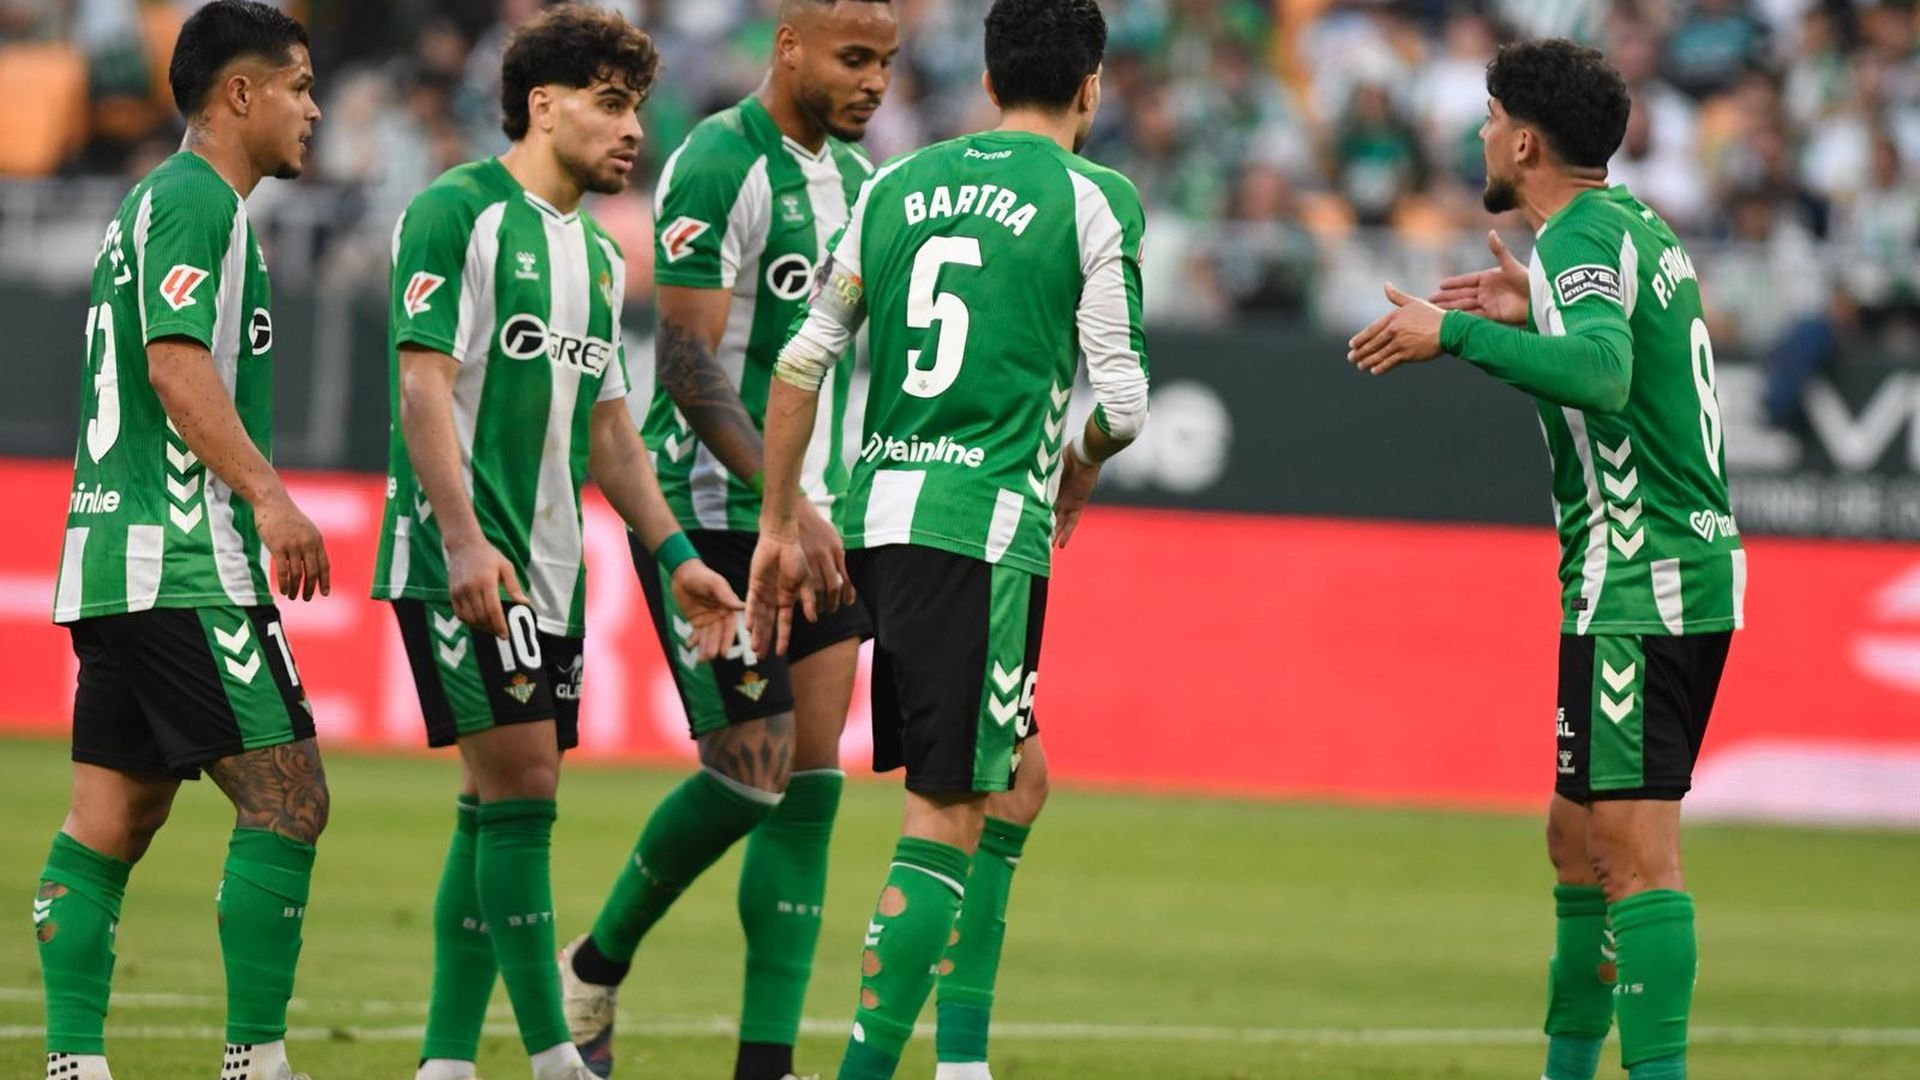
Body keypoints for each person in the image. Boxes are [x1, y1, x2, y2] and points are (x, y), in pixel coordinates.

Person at [747, 2, 1150, 1076]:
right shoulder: (1094, 196)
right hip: (980, 533)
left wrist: (780, 521)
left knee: (1018, 779)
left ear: (987, 81)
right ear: (1092, 85)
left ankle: (962, 1061)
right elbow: (1122, 403)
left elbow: (802, 360)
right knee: (945, 812)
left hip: (875, 522)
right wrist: (1078, 466)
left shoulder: (894, 185)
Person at [1347, 39, 1745, 1080]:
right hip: (1645, 576)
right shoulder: (1625, 227)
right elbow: (1625, 354)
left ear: (1524, 143)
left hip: (1645, 579)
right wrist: (1538, 308)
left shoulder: (1581, 239)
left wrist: (1456, 337)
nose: (1480, 134)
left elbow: (1605, 376)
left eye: (1490, 119)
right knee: (1575, 838)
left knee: (1632, 856)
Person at [367, 7, 742, 1080]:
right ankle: (552, 1057)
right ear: (543, 105)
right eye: (611, 105)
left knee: (492, 801)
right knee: (527, 791)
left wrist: (677, 559)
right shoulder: (457, 212)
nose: (634, 130)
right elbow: (422, 386)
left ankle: (445, 1061)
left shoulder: (598, 256)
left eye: (638, 109)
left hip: (552, 572)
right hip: (466, 559)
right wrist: (461, 539)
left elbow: (612, 433)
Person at [555, 3, 897, 1079]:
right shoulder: (717, 161)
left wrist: (827, 501)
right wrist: (782, 499)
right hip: (714, 507)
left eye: (887, 62)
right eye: (854, 58)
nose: (875, 81)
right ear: (789, 46)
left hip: (816, 515)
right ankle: (593, 965)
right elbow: (687, 362)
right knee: (750, 773)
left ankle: (766, 1064)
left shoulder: (863, 185)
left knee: (812, 787)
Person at [37, 4, 330, 1080]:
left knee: (112, 818)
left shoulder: (158, 203)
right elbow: (175, 364)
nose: (314, 109)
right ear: (240, 94)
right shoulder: (197, 199)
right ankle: (257, 1061)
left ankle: (72, 1063)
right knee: (289, 798)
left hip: (110, 556)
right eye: (298, 86)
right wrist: (269, 497)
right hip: (181, 554)